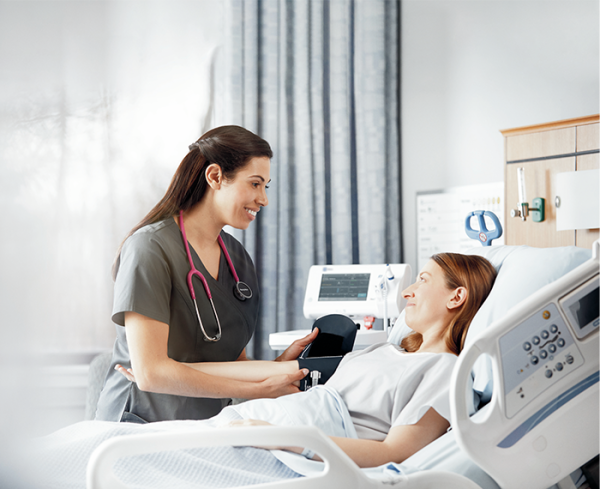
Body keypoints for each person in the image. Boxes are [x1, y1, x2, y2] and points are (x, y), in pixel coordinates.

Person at [32, 252, 498, 489]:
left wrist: (280, 437)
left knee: (112, 456)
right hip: (266, 427)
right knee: (97, 439)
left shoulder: (443, 371)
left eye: (424, 280)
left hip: (288, 449)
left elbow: (393, 454)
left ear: (457, 297)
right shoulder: (384, 353)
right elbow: (302, 394)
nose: (409, 291)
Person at [95, 125, 316, 424]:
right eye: (254, 184)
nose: (263, 199)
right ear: (215, 177)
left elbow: (233, 364)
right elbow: (150, 374)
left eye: (266, 186)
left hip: (209, 426)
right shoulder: (149, 248)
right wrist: (259, 388)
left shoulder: (238, 260)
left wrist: (275, 368)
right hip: (141, 426)